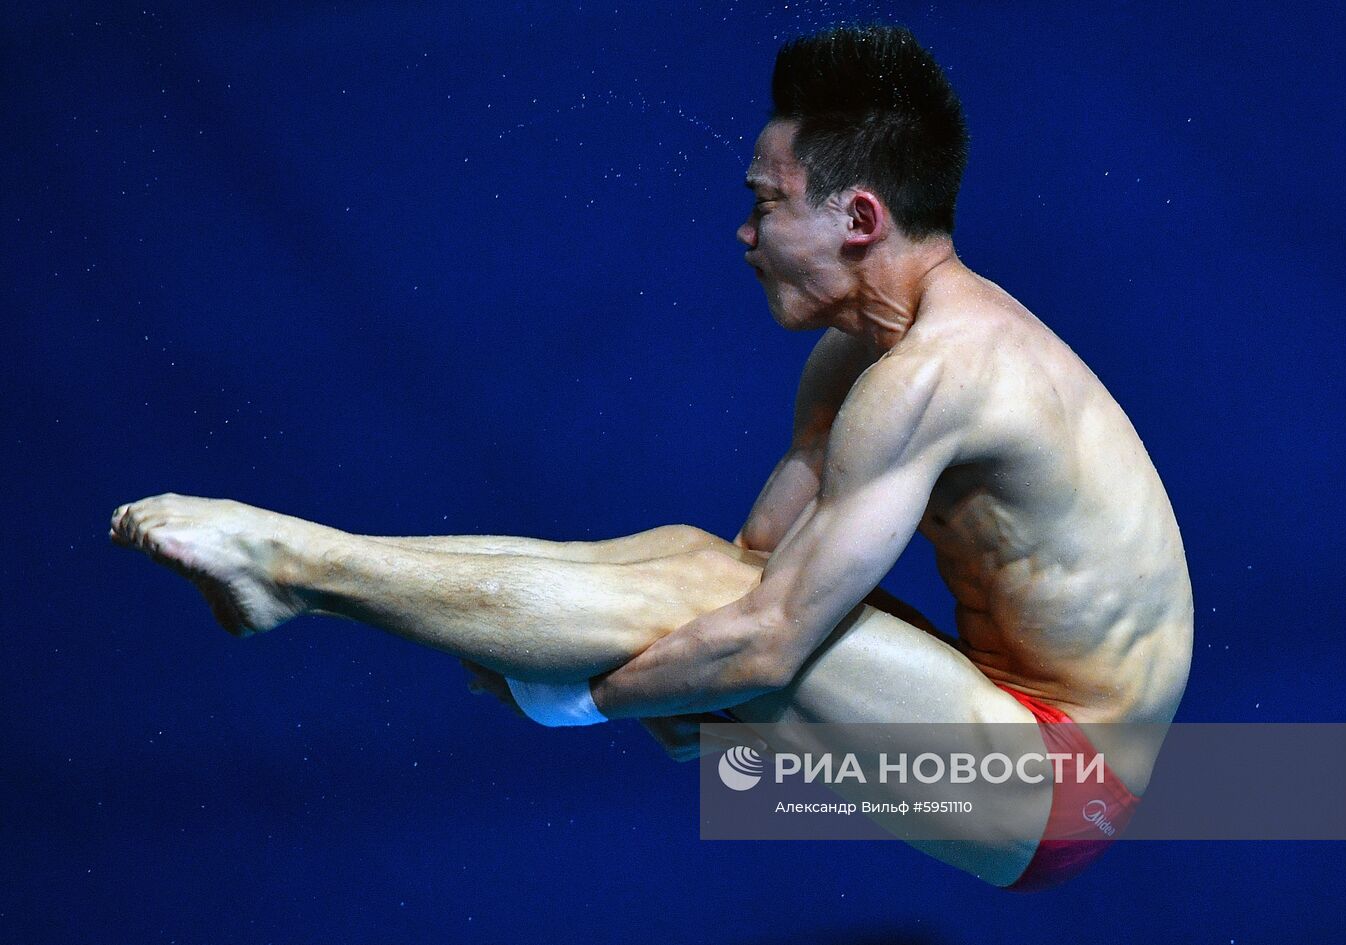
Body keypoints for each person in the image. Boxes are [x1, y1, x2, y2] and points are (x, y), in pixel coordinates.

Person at [110, 25, 1192, 890]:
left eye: (764, 204)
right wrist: (684, 693)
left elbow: (764, 650)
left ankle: (297, 566)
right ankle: (304, 580)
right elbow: (753, 566)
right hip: (1005, 723)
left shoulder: (940, 375)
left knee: (711, 607)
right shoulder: (853, 355)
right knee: (693, 556)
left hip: (1068, 786)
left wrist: (587, 697)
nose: (742, 233)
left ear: (858, 216)